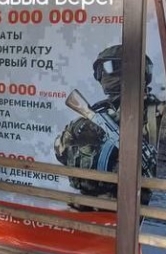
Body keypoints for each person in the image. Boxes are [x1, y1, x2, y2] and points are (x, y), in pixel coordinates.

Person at [54, 44, 163, 210]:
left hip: (136, 211)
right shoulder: (97, 112)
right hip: (89, 206)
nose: (103, 75)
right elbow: (60, 152)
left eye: (109, 67)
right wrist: (75, 132)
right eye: (100, 71)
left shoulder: (157, 114)